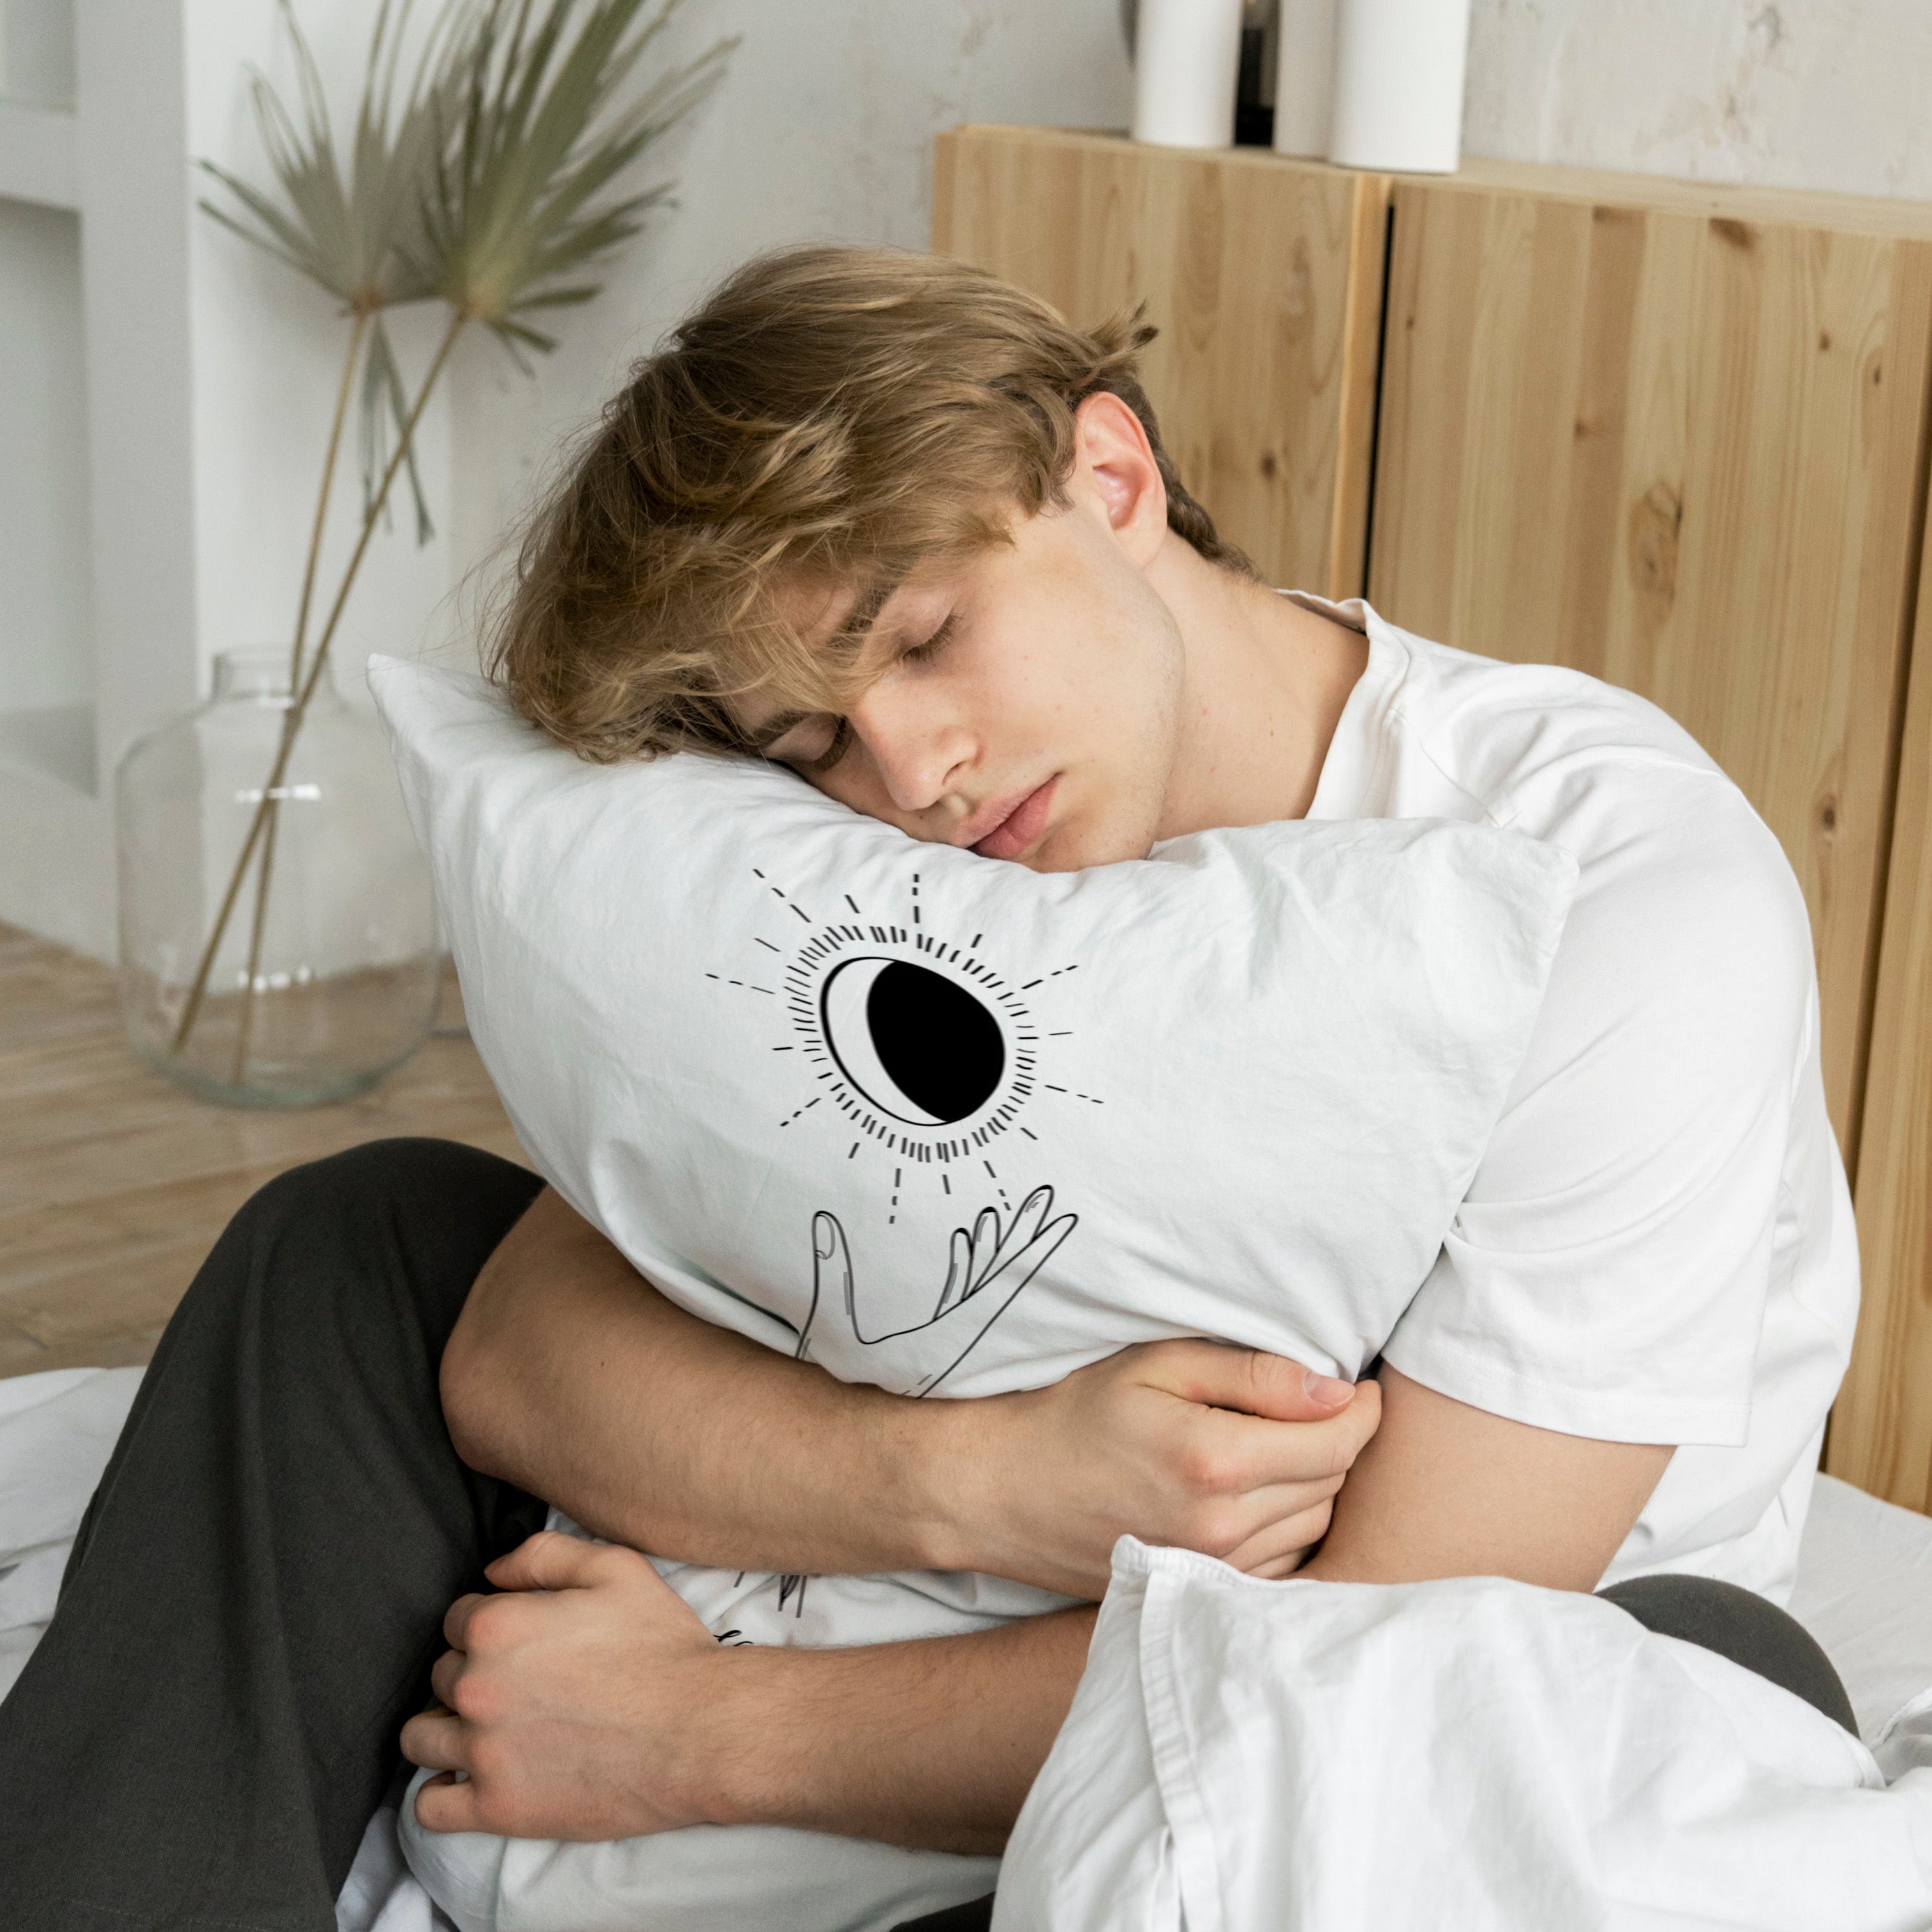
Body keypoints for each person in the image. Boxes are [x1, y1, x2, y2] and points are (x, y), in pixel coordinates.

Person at [0, 245, 1859, 1932]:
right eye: (810, 733)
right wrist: (980, 1484)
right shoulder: (881, 831)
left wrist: (692, 1734)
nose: (909, 771)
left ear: (1108, 477)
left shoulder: (1613, 891)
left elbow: (1367, 1652)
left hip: (1320, 1707)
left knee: (1640, 1687)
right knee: (360, 1242)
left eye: (920, 634)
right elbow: (515, 1347)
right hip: (933, 1542)